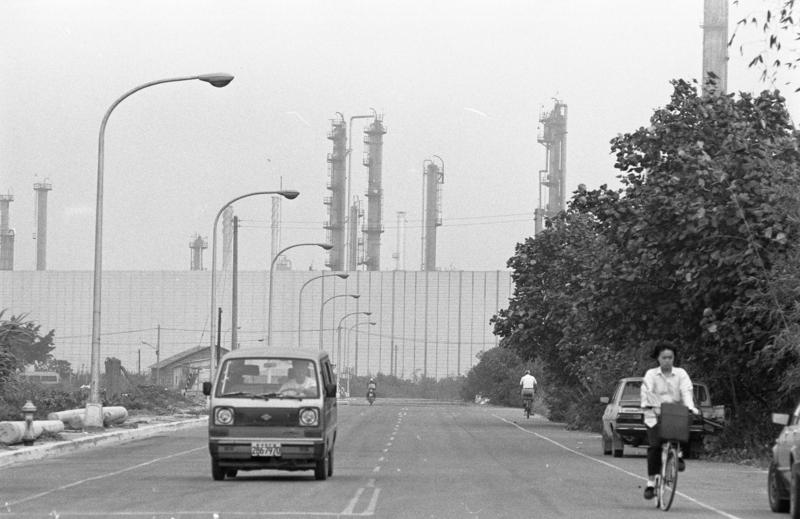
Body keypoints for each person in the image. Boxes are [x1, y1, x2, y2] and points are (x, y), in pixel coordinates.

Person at [640, 341, 700, 500]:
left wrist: (690, 407)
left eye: (670, 357)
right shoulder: (651, 374)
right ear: (658, 359)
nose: (667, 360)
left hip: (675, 414)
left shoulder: (681, 374)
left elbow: (686, 391)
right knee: (654, 447)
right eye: (664, 357)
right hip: (655, 414)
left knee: (688, 423)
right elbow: (647, 391)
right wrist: (648, 405)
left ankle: (678, 454)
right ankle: (651, 483)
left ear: (674, 359)